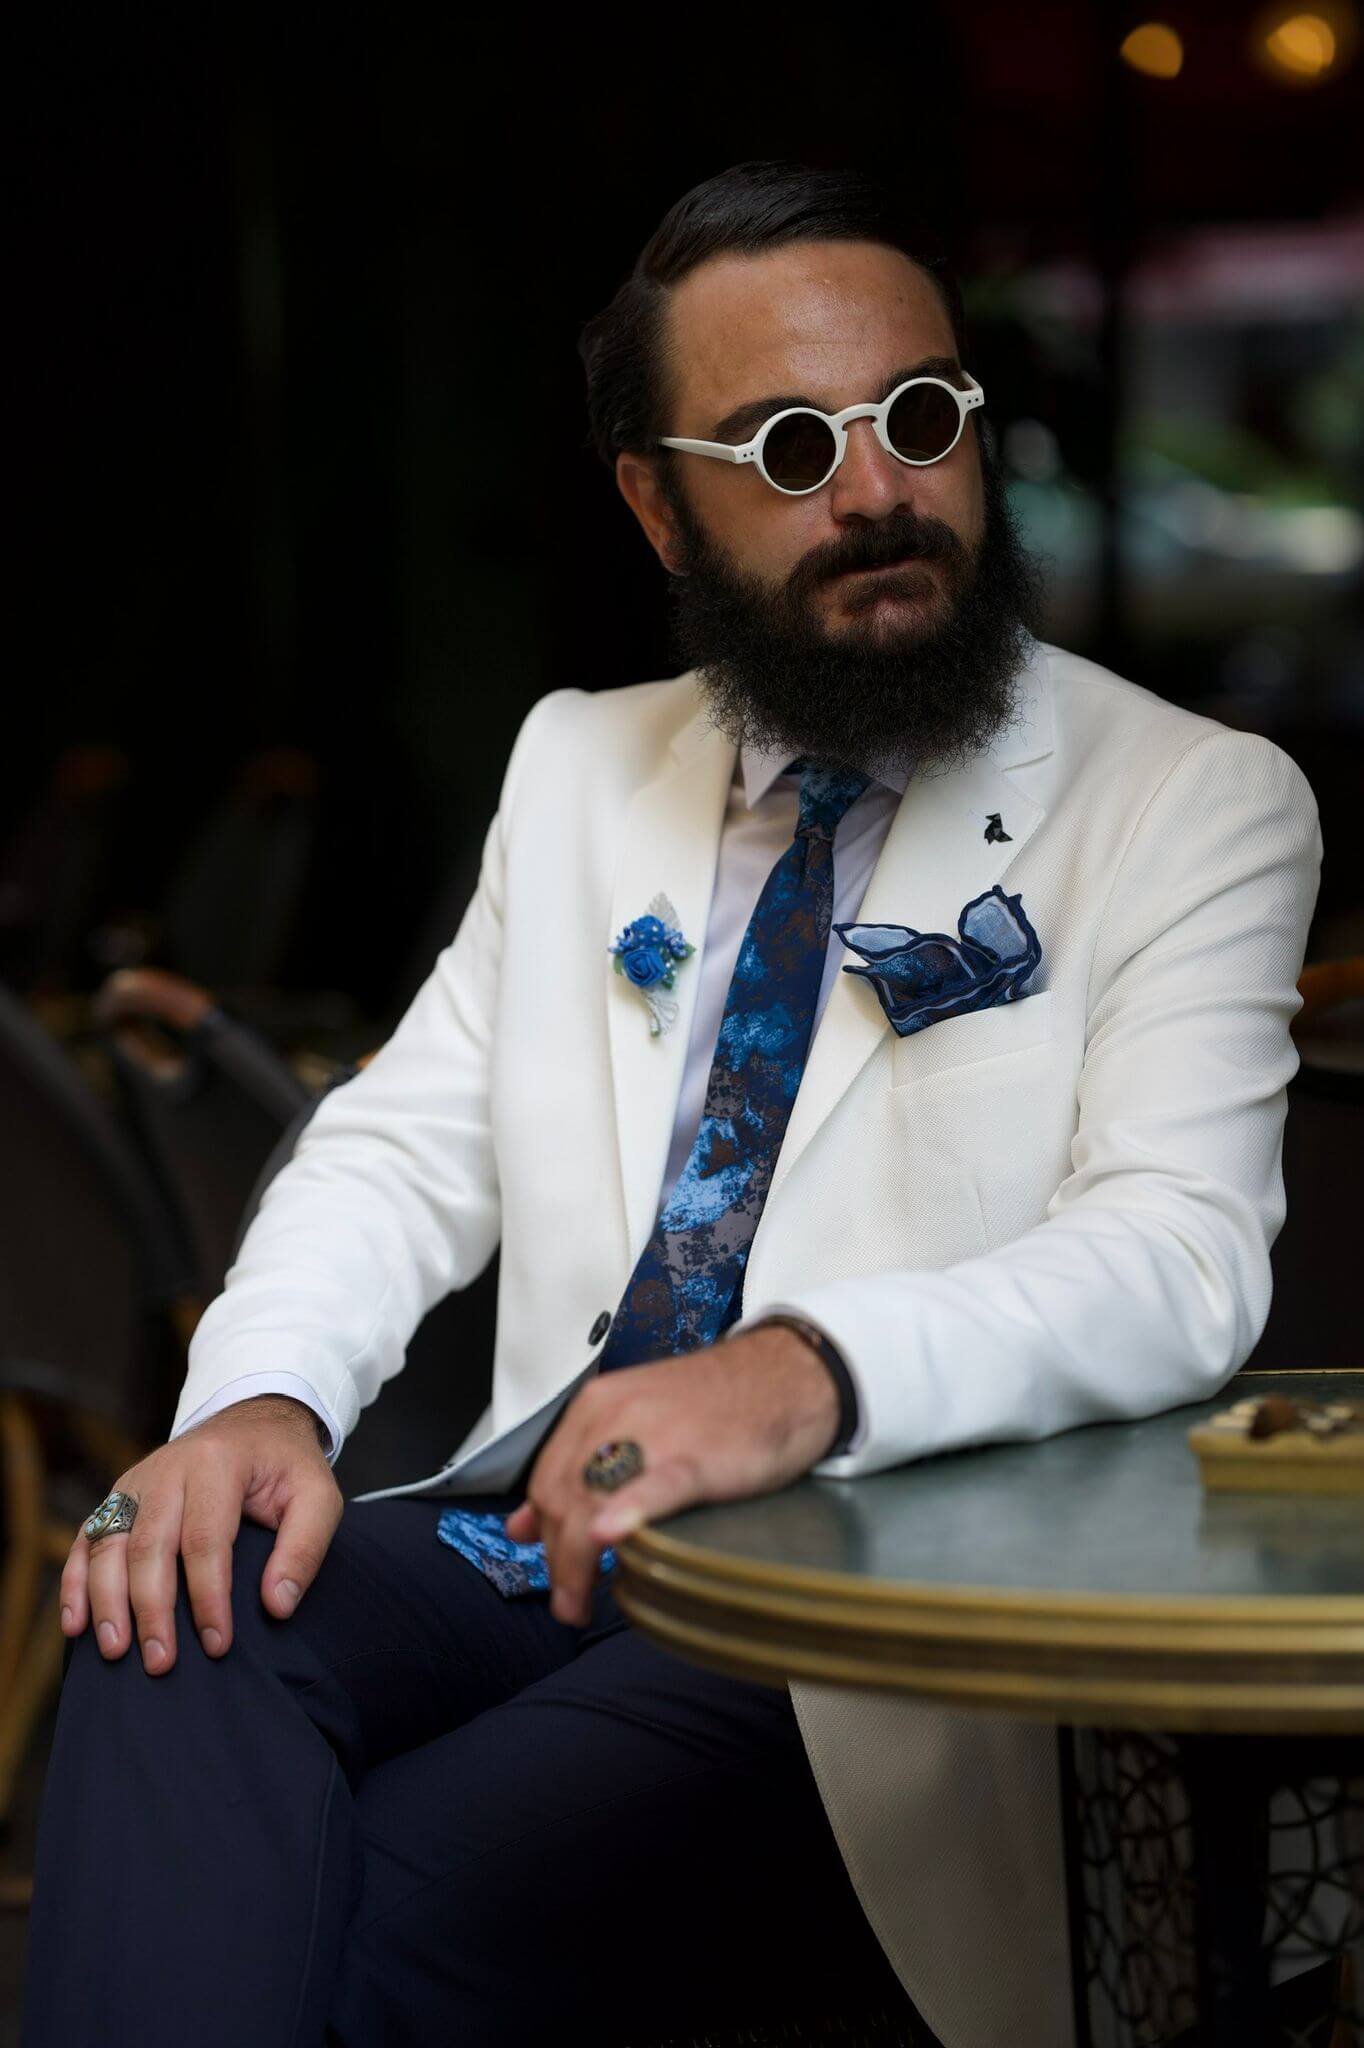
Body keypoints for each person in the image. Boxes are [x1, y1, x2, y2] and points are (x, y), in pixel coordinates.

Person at [24, 160, 1321, 2048]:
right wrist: (259, 1402)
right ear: (656, 503)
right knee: (161, 1613)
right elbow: (400, 1144)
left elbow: (1178, 1259)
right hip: (538, 1531)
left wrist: (791, 1375)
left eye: (921, 418)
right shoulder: (576, 763)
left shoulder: (1195, 798)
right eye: (791, 445)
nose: (876, 492)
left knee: (365, 1914)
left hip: (853, 1603)